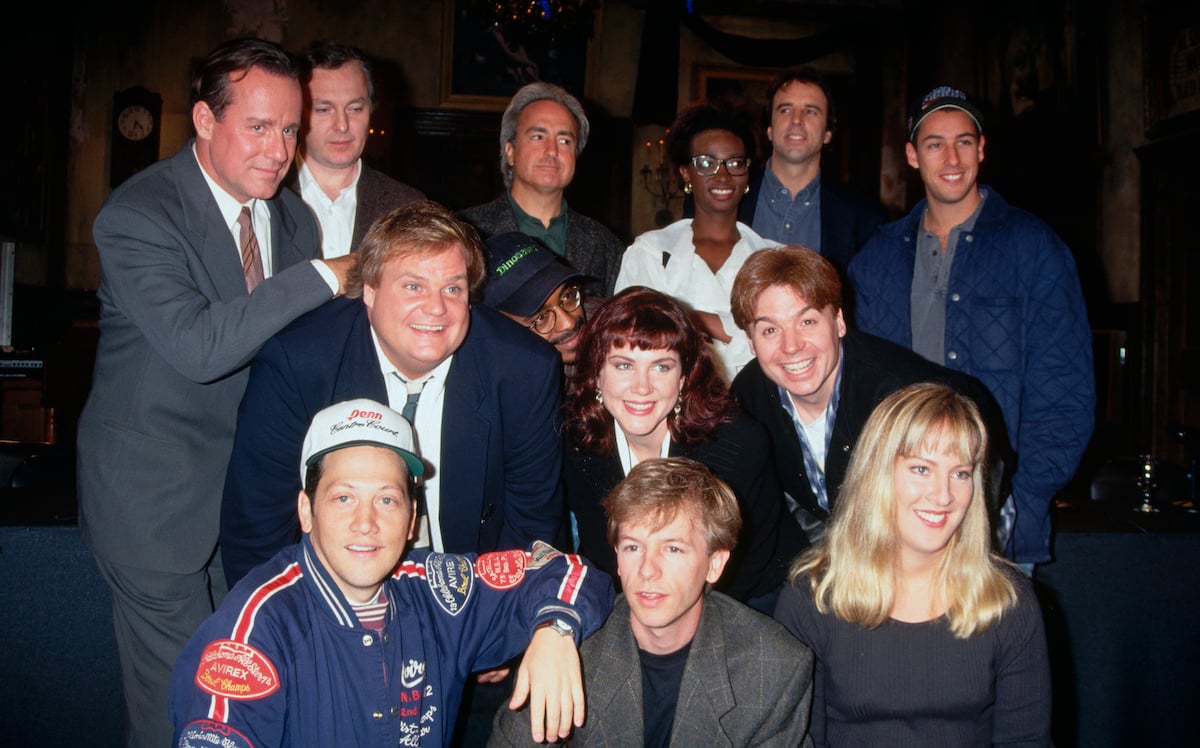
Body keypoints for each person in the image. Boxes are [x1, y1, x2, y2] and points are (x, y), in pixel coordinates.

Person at [76, 37, 355, 748]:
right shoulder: (139, 213)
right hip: (154, 507)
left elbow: (299, 357)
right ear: (204, 120)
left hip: (250, 511)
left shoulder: (292, 219)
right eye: (258, 127)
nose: (279, 150)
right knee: (185, 709)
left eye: (291, 129)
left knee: (252, 698)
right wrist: (328, 275)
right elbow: (201, 348)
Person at [172, 398, 615, 747]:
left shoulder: (435, 591)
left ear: (411, 520)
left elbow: (566, 569)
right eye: (343, 497)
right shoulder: (255, 631)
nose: (366, 522)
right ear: (306, 511)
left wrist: (556, 628)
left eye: (386, 499)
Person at [221, 200, 566, 583]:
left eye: (453, 288)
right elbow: (258, 531)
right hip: (327, 596)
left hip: (471, 594)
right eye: (413, 286)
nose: (436, 308)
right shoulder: (297, 363)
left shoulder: (524, 369)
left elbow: (532, 528)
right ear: (369, 290)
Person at [849, 85, 1095, 566]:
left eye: (964, 141)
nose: (951, 157)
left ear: (981, 149)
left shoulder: (1035, 248)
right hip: (896, 518)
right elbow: (859, 391)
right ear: (912, 155)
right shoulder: (875, 260)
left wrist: (1021, 499)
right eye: (935, 143)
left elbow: (1065, 389)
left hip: (996, 520)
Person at [774, 382, 1051, 746]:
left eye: (961, 473)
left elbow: (1026, 741)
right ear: (877, 474)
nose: (943, 495)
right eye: (922, 469)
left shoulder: (1006, 601)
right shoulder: (812, 599)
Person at [491, 457, 814, 747]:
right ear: (617, 557)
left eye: (673, 549)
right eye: (633, 547)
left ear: (715, 564)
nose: (647, 570)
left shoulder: (773, 668)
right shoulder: (568, 648)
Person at [730, 246, 1013, 550]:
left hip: (950, 533)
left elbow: (959, 511)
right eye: (770, 329)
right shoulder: (749, 398)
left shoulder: (903, 396)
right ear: (750, 341)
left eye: (807, 321)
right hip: (844, 543)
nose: (791, 345)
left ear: (839, 321)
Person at [562, 287, 794, 612]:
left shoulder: (737, 444)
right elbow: (601, 548)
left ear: (684, 378)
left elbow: (746, 558)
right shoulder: (576, 440)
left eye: (661, 367)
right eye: (623, 366)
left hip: (746, 593)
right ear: (597, 375)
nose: (642, 387)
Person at [615, 101, 780, 383]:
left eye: (735, 163)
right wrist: (738, 329)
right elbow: (629, 339)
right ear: (684, 173)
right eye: (707, 163)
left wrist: (688, 317)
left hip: (758, 406)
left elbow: (781, 339)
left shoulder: (773, 258)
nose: (723, 175)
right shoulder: (649, 252)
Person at [459, 81, 624, 298]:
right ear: (510, 151)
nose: (552, 151)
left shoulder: (605, 245)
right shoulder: (466, 232)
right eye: (538, 137)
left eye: (565, 141)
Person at [742, 66, 888, 280]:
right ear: (769, 130)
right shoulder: (731, 199)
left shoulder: (865, 219)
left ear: (828, 133)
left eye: (810, 111)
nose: (796, 120)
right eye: (785, 110)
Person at [289, 40, 425, 257]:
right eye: (324, 110)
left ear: (371, 109)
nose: (342, 125)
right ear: (296, 113)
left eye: (355, 109)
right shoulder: (266, 197)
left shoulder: (408, 207)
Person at [481, 230, 593, 370]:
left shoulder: (613, 332)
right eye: (541, 318)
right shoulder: (495, 383)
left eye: (567, 297)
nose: (568, 323)